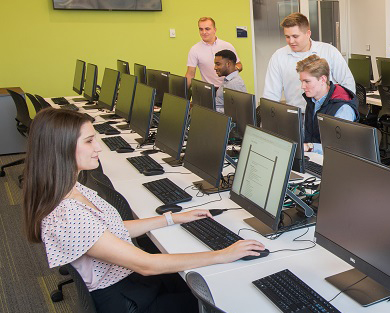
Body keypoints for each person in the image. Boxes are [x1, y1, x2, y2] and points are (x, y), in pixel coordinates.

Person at [23, 109, 264, 312]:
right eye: (88, 141)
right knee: (223, 297)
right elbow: (146, 264)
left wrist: (171, 218)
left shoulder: (70, 189)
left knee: (198, 278)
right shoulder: (68, 214)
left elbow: (110, 231)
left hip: (129, 281)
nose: (98, 147)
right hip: (127, 300)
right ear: (61, 148)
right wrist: (222, 254)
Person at [264, 13, 354, 111]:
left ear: (308, 34)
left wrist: (342, 110)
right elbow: (270, 94)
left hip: (325, 114)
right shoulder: (279, 56)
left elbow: (347, 84)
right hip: (296, 115)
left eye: (295, 36)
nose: (291, 41)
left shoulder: (329, 51)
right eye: (287, 36)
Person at [297, 55, 358, 154]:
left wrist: (310, 147)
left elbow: (339, 148)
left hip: (334, 161)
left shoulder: (343, 109)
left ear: (323, 80)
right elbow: (310, 134)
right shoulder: (312, 101)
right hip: (314, 157)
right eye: (301, 81)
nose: (302, 86)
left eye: (307, 81)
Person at [185, 17, 242, 86]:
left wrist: (231, 70)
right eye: (201, 29)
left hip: (229, 88)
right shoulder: (194, 49)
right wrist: (183, 93)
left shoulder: (227, 46)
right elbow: (190, 74)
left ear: (214, 30)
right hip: (209, 90)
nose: (204, 32)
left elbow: (239, 65)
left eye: (207, 29)